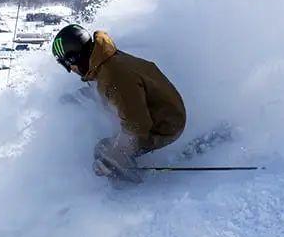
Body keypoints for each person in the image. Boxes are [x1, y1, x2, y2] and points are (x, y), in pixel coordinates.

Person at [52, 24, 186, 182]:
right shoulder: (105, 59)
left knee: (102, 149)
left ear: (75, 57)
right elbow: (116, 93)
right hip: (159, 111)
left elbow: (136, 124)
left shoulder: (113, 76)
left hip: (165, 125)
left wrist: (112, 158)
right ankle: (121, 161)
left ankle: (128, 186)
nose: (71, 70)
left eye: (67, 65)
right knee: (107, 139)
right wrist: (80, 97)